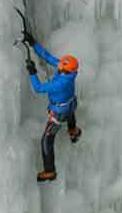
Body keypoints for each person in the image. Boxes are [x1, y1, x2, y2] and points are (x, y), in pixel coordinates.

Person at [23, 35, 82, 182]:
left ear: (67, 71)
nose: (59, 67)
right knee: (71, 113)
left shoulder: (61, 82)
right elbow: (48, 57)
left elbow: (38, 88)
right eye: (61, 64)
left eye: (62, 67)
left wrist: (32, 73)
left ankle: (50, 171)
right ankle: (73, 131)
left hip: (59, 112)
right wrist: (33, 43)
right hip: (70, 104)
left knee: (46, 140)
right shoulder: (70, 72)